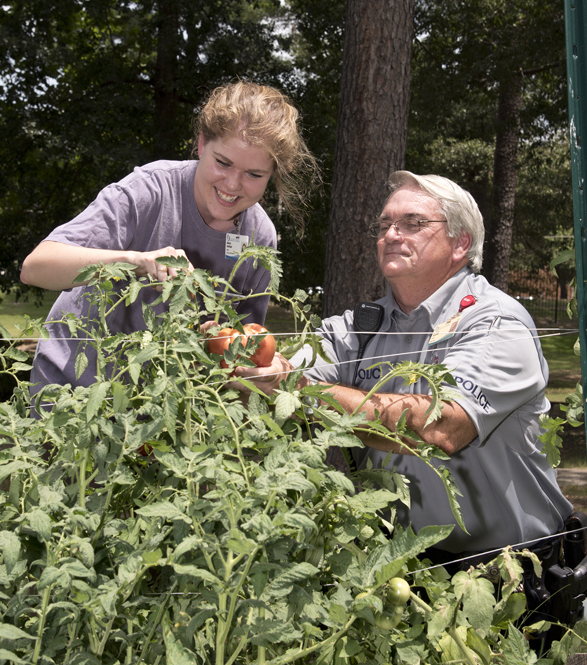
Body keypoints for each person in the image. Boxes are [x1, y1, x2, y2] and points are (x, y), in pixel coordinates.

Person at [237, 170, 573, 557]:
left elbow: (440, 427)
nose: (391, 235)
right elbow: (282, 366)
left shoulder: (496, 322)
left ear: (460, 242)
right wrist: (239, 353)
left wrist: (295, 388)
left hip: (512, 578)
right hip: (404, 578)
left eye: (413, 223)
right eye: (384, 224)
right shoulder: (362, 328)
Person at [21, 81, 317, 392]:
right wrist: (134, 261)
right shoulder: (149, 191)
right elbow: (37, 267)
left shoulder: (260, 238)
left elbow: (241, 354)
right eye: (222, 162)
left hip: (163, 409)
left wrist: (236, 355)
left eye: (254, 174)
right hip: (73, 389)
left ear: (273, 174)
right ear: (202, 144)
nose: (232, 184)